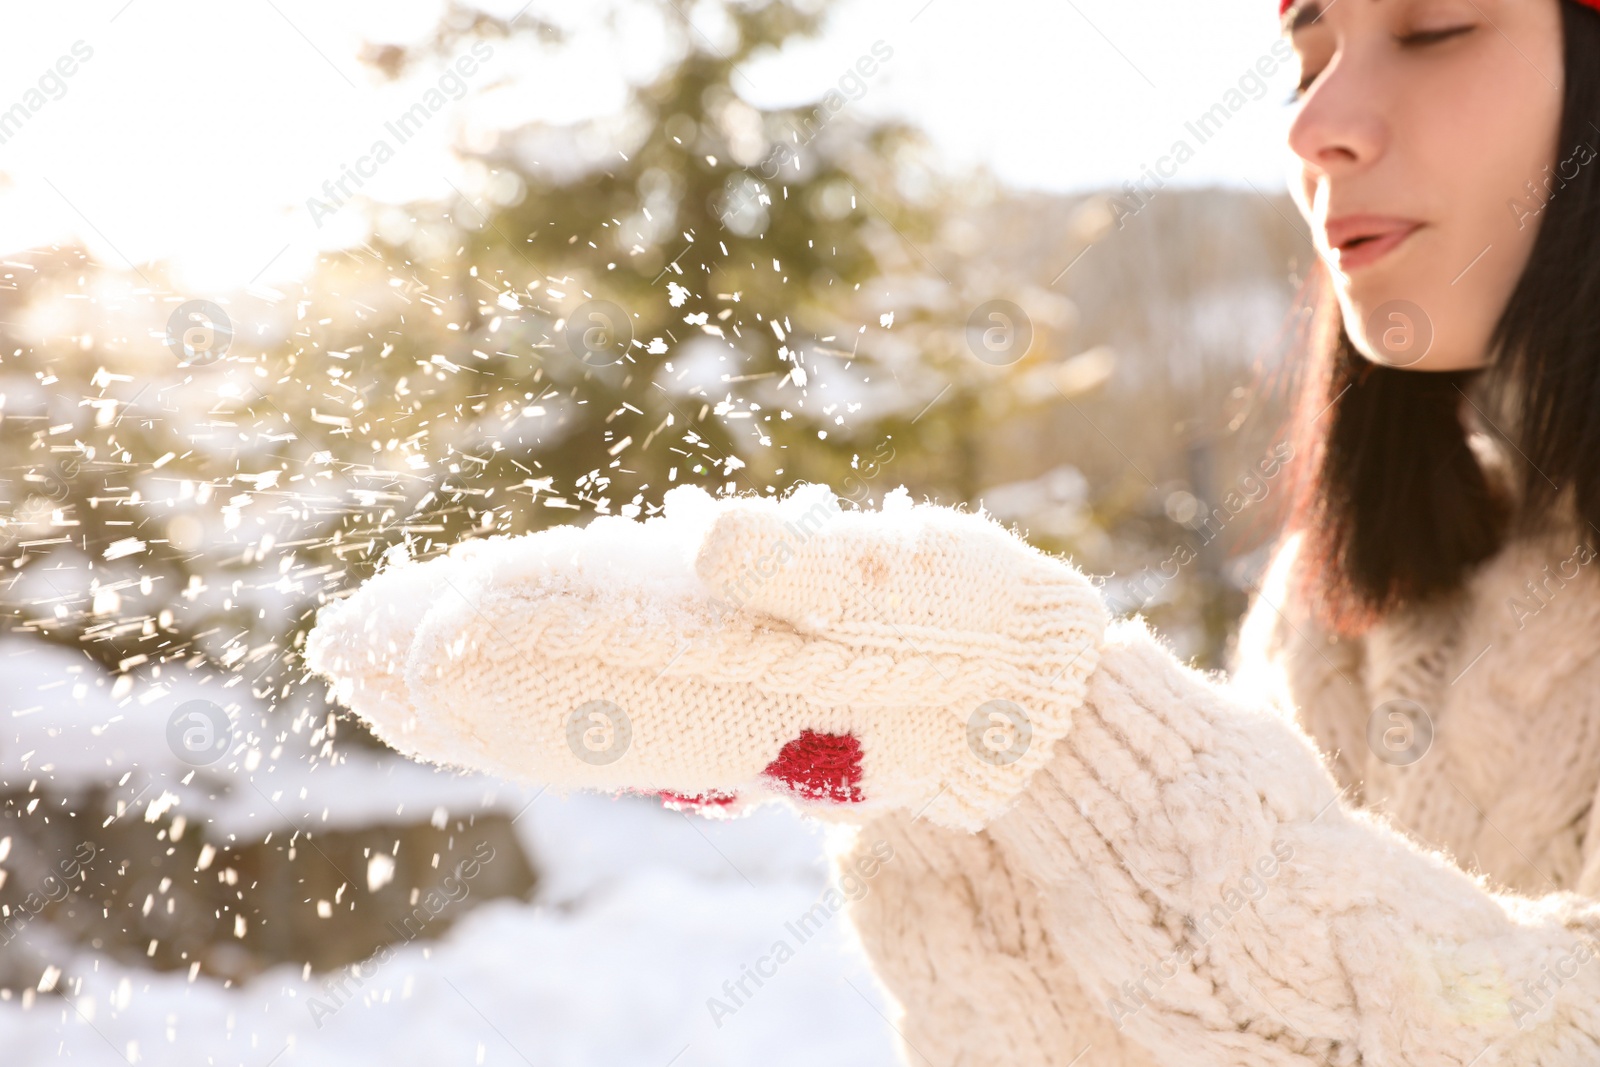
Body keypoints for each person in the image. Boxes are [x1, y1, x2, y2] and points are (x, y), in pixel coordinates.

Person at [306, 0, 1600, 1061]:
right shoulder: (1356, 598)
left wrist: (1064, 735)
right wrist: (948, 794)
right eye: (1305, 54)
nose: (1316, 123)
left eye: (1433, 30)